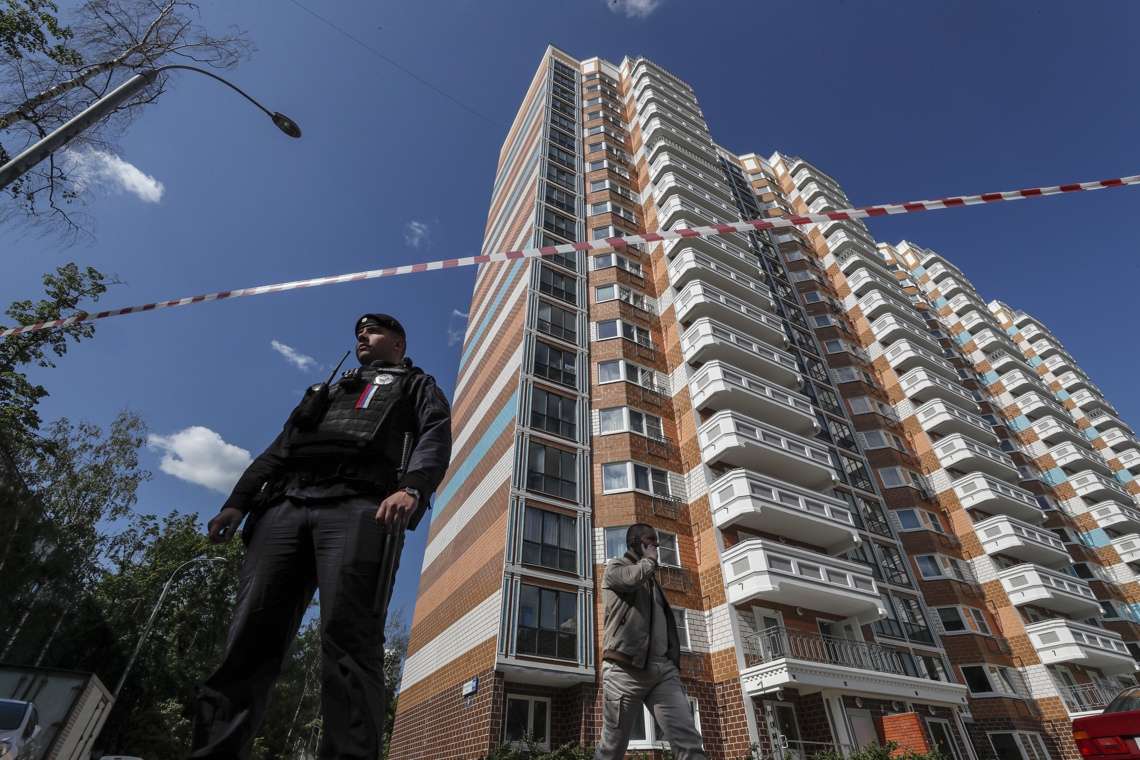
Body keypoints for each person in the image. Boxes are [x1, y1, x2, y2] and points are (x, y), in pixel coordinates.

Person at [189, 313, 452, 760]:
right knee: (249, 638)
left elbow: (434, 434)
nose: (362, 338)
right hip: (285, 507)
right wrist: (237, 501)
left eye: (373, 332)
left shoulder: (416, 384)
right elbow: (280, 448)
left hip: (362, 508)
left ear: (399, 344)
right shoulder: (328, 390)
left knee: (349, 641)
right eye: (358, 334)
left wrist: (413, 487)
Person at [595, 523, 706, 760]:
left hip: (662, 673)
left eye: (656, 542)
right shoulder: (616, 567)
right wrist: (648, 561)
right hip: (625, 671)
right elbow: (629, 580)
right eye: (651, 541)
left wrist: (671, 661)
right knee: (611, 749)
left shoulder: (652, 581)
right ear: (636, 542)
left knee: (689, 743)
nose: (656, 546)